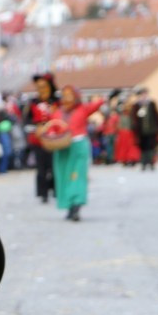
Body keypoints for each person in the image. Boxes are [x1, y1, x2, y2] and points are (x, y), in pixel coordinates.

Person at [52, 85, 106, 222]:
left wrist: (106, 98)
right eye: (65, 95)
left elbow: (98, 103)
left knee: (77, 175)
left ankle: (76, 204)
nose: (67, 98)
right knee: (64, 176)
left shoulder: (83, 109)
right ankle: (69, 206)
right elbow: (51, 128)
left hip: (78, 145)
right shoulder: (57, 112)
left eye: (70, 95)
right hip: (62, 147)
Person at [24, 73, 58, 203]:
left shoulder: (57, 102)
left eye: (44, 86)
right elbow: (27, 121)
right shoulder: (33, 103)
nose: (42, 90)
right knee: (41, 168)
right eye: (39, 87)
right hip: (39, 140)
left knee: (54, 166)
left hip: (55, 139)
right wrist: (35, 128)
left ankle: (55, 189)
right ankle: (43, 193)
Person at [132, 87, 158, 171]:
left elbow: (157, 116)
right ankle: (144, 163)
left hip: (151, 130)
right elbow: (134, 118)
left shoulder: (151, 104)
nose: (144, 95)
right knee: (143, 147)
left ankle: (151, 163)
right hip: (141, 131)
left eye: (145, 93)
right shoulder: (137, 105)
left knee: (151, 147)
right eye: (142, 94)